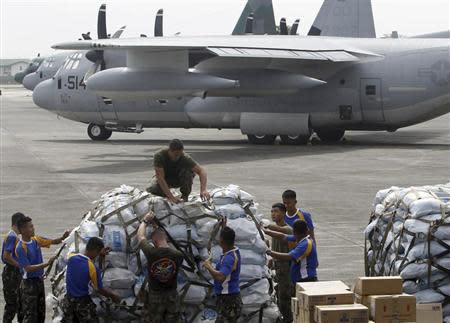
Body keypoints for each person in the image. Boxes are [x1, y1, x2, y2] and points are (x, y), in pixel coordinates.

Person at [15, 216, 70, 323]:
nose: (33, 228)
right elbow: (28, 268)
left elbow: (53, 241)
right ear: (23, 230)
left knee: (41, 313)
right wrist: (46, 264)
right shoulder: (21, 247)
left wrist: (63, 237)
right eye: (30, 227)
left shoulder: (36, 240)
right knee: (30, 315)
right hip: (29, 285)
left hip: (38, 281)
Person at [137, 211, 184, 323]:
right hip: (172, 296)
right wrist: (157, 227)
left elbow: (140, 236)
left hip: (155, 297)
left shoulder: (151, 253)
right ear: (166, 239)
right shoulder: (178, 255)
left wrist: (145, 221)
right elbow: (164, 242)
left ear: (153, 241)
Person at [61, 237, 121, 323]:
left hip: (69, 301)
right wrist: (112, 296)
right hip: (82, 303)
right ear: (96, 251)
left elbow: (84, 257)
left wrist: (100, 253)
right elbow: (99, 289)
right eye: (97, 252)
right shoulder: (92, 267)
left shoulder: (71, 257)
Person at [263, 220, 318, 296]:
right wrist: (266, 232)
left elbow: (289, 257)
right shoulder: (302, 238)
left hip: (306, 280)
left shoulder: (305, 244)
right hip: (301, 280)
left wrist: (269, 252)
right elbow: (283, 236)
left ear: (295, 232)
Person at [147, 139, 210, 203]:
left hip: (178, 178)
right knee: (152, 190)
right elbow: (160, 178)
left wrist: (203, 190)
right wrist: (171, 197)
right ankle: (167, 195)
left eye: (180, 154)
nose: (178, 157)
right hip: (166, 179)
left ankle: (185, 196)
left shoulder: (183, 157)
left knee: (188, 171)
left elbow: (201, 171)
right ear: (170, 151)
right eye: (176, 154)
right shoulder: (159, 156)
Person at [203, 220, 242, 323]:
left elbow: (220, 277)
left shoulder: (229, 258)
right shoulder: (232, 250)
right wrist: (224, 227)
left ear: (221, 241)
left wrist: (208, 266)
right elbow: (227, 238)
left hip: (229, 301)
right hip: (227, 299)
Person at [264, 203, 293, 323]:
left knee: (285, 297)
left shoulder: (287, 229)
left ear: (283, 213)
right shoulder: (274, 229)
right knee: (278, 297)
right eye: (271, 211)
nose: (273, 214)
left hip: (286, 268)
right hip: (277, 267)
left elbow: (279, 230)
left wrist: (265, 225)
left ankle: (288, 320)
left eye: (276, 211)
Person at [2, 212, 26, 323]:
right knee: (12, 304)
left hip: (14, 272)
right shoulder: (12, 236)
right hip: (11, 273)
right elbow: (6, 256)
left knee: (19, 303)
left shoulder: (13, 236)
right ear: (17, 224)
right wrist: (19, 265)